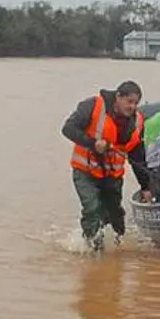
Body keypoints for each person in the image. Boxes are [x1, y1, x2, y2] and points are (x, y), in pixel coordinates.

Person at [62, 80, 152, 249]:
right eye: (129, 101)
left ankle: (117, 247)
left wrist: (146, 187)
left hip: (112, 176)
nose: (132, 107)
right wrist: (93, 143)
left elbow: (138, 158)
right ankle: (91, 249)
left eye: (136, 103)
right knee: (92, 209)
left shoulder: (138, 122)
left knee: (115, 216)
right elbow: (68, 129)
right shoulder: (93, 106)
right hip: (85, 172)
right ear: (118, 97)